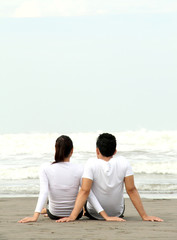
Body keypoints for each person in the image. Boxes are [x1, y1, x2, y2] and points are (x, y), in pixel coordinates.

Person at [57, 133, 163, 222]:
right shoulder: (124, 162)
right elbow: (131, 190)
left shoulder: (91, 163)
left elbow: (85, 191)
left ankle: (84, 211)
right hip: (118, 213)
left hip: (94, 214)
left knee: (84, 190)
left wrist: (72, 217)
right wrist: (144, 216)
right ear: (115, 151)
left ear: (97, 151)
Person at [18, 135, 84, 223]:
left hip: (54, 214)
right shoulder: (80, 168)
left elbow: (44, 192)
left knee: (51, 193)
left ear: (56, 149)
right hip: (76, 214)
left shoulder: (45, 167)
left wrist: (35, 216)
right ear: (72, 150)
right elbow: (86, 192)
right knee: (83, 193)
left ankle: (46, 210)